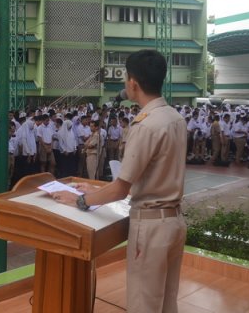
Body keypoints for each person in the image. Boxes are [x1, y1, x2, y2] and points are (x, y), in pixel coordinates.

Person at [52, 49, 187, 313]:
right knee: (167, 302)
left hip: (150, 228)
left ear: (133, 83)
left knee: (144, 304)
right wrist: (96, 188)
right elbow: (149, 176)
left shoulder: (145, 125)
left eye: (126, 78)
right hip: (174, 221)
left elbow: (121, 189)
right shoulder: (174, 117)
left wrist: (79, 199)